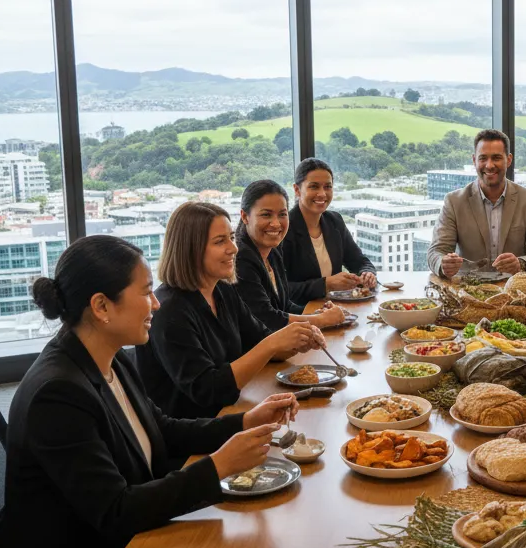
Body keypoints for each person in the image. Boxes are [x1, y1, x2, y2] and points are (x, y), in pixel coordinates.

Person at [0, 235, 299, 548]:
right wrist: (217, 468)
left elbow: (163, 429)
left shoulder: (106, 359)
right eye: (144, 291)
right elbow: (117, 511)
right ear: (102, 306)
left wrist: (244, 421)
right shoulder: (57, 394)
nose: (155, 303)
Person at [137, 202, 323, 419]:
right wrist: (273, 343)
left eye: (232, 238)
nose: (233, 248)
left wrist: (297, 340)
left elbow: (261, 340)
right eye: (220, 241)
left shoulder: (223, 290)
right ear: (190, 249)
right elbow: (209, 390)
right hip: (194, 439)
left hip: (231, 415)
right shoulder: (169, 311)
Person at [426, 128, 526, 278]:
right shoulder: (454, 201)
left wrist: (521, 264)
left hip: (516, 293)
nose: (489, 165)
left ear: (509, 160)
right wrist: (443, 263)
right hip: (468, 292)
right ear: (474, 160)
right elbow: (436, 251)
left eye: (496, 158)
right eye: (483, 158)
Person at [233, 179, 349, 333]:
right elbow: (266, 318)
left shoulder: (272, 251)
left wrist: (318, 312)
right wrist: (321, 320)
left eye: (282, 214)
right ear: (245, 216)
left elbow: (285, 306)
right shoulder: (240, 259)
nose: (276, 223)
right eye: (266, 215)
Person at [278, 158, 377, 306]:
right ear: (297, 190)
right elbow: (280, 289)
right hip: (302, 314)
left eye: (327, 187)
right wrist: (325, 284)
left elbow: (359, 261)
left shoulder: (334, 221)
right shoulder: (284, 229)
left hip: (335, 308)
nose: (322, 194)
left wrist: (367, 274)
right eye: (314, 187)